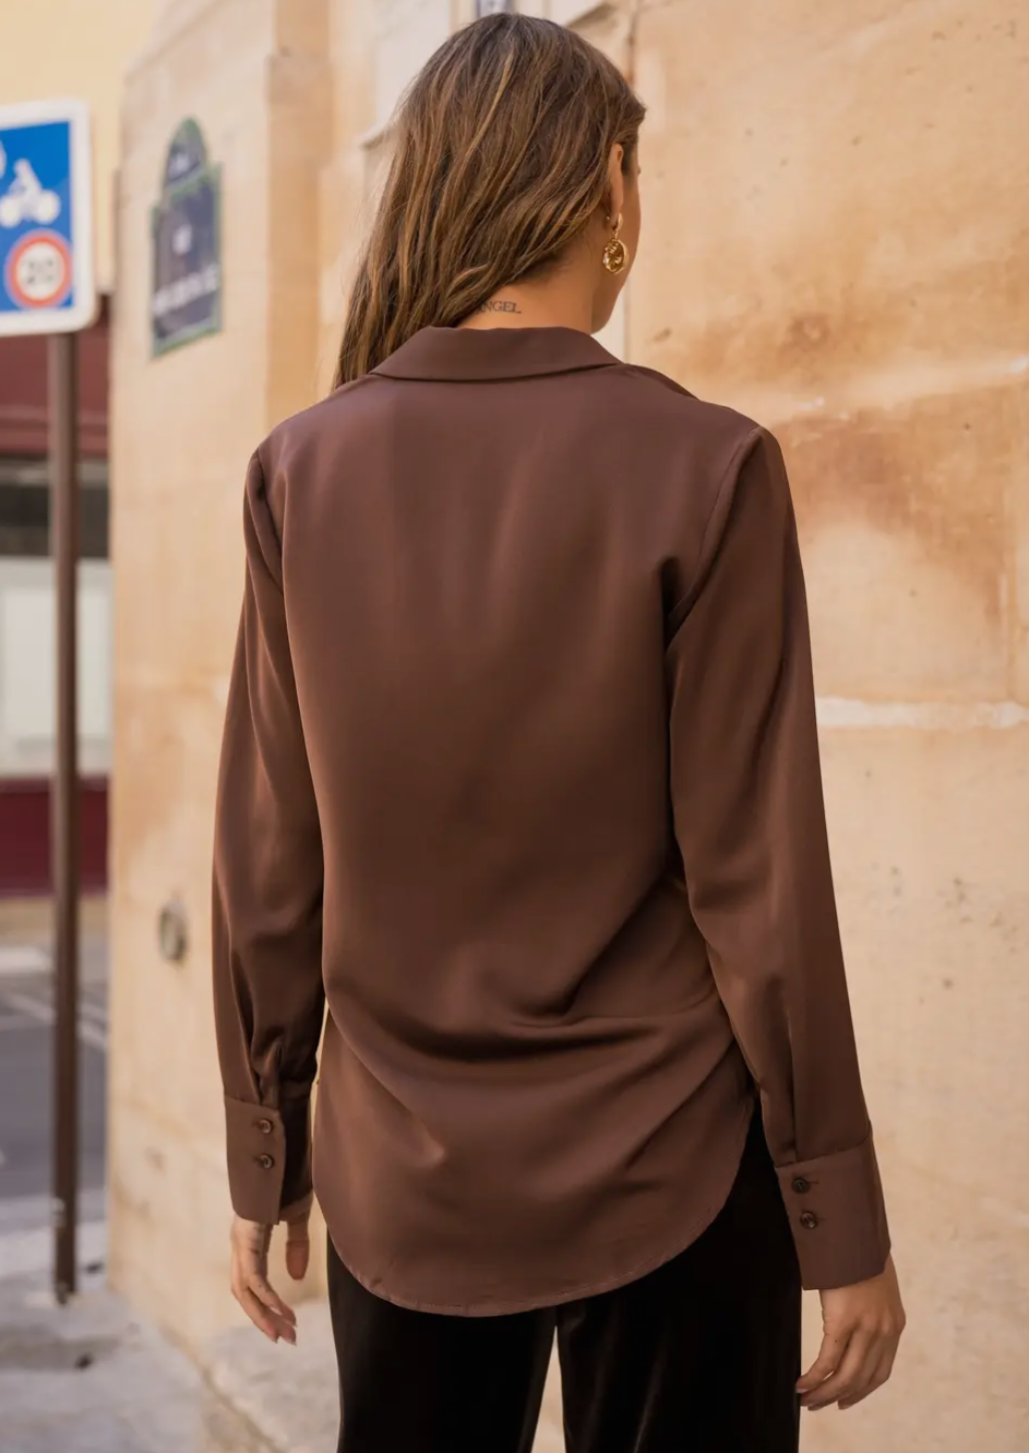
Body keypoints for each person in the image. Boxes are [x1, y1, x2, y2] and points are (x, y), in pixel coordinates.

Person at [212, 13, 905, 1453]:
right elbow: (760, 887)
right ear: (606, 185)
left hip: (400, 1172)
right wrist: (838, 1209)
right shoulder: (705, 465)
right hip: (677, 1165)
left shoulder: (303, 472)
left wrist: (261, 1148)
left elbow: (271, 863)